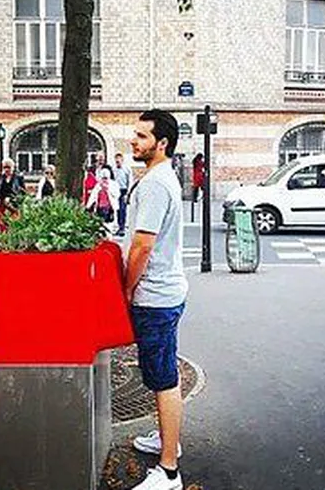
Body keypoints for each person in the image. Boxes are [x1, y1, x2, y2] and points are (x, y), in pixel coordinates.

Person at [124, 109, 186, 490]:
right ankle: (168, 440)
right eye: (135, 134)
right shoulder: (162, 177)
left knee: (163, 379)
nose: (134, 140)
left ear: (161, 144)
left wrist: (128, 288)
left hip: (156, 296)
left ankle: (168, 471)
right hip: (168, 291)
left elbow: (142, 246)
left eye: (142, 136)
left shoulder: (154, 185)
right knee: (164, 372)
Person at [0, 159, 25, 233]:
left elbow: (23, 192)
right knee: (2, 225)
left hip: (13, 206)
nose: (7, 169)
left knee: (13, 225)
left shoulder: (18, 178)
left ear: (13, 167)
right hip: (1, 205)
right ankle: (4, 241)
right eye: (4, 167)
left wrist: (13, 200)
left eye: (9, 167)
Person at [114, 152, 132, 236]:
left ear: (122, 160)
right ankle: (119, 226)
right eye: (116, 161)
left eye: (119, 161)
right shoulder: (114, 170)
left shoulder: (127, 169)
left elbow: (130, 181)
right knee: (117, 209)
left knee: (123, 209)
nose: (117, 163)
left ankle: (122, 227)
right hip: (116, 190)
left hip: (124, 190)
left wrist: (128, 193)